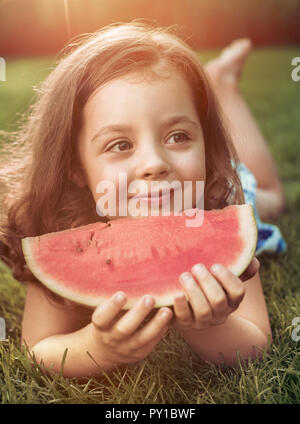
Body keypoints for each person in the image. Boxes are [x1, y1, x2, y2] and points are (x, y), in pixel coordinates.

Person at [0, 22, 286, 380]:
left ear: (205, 142)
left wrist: (207, 325)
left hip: (215, 187)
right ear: (75, 167)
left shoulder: (220, 205)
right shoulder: (62, 230)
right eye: (120, 145)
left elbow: (256, 343)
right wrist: (97, 348)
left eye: (179, 136)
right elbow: (38, 347)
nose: (154, 163)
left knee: (268, 195)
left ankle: (224, 87)